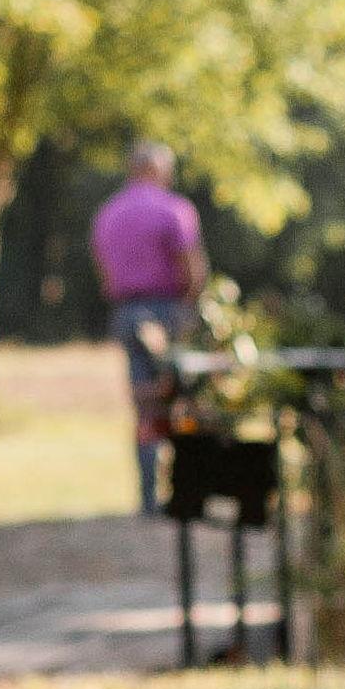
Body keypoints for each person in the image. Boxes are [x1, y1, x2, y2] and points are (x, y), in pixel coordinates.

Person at [91, 141, 208, 515]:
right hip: (168, 310)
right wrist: (190, 310)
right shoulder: (174, 209)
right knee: (183, 400)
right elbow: (192, 269)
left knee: (145, 405)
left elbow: (104, 268)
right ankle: (186, 488)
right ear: (158, 170)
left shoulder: (109, 213)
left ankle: (148, 496)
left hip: (127, 312)